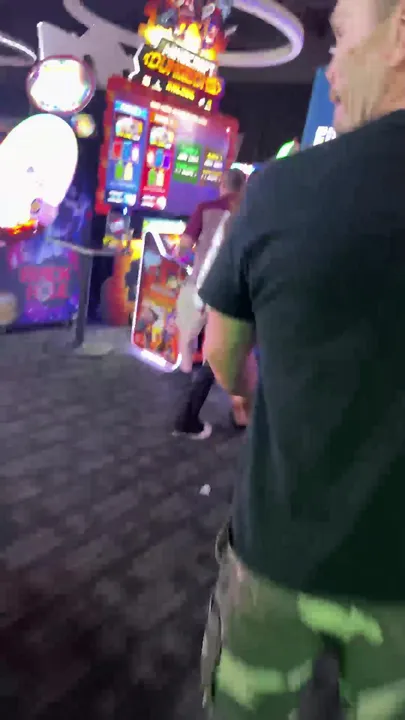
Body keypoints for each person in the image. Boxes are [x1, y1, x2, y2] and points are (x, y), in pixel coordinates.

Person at [198, 0, 405, 717]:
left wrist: (255, 389)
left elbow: (220, 353)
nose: (329, 66)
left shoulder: (280, 187)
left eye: (341, 39)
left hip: (279, 554)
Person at [172, 167, 246, 440]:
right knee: (218, 350)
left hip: (198, 285)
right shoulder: (247, 213)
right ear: (243, 187)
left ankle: (184, 382)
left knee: (187, 338)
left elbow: (184, 245)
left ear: (222, 185)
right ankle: (229, 411)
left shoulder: (205, 208)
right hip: (227, 292)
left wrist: (182, 254)